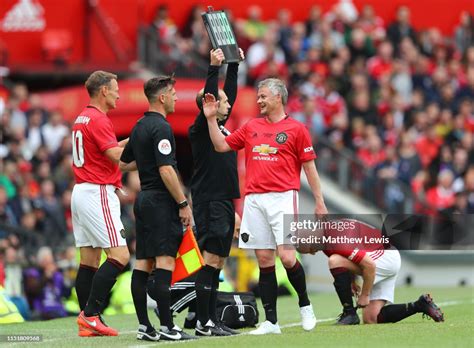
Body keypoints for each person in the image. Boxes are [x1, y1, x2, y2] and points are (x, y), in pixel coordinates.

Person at [202, 78, 327, 335]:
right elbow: (221, 145)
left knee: (288, 256)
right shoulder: (251, 127)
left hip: (283, 197)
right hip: (255, 199)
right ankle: (271, 322)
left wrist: (319, 201)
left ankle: (305, 305)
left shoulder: (297, 129)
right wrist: (211, 118)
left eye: (263, 96)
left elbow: (309, 167)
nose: (258, 100)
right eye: (258, 96)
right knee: (264, 259)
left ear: (278, 98)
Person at [119, 75, 195, 341]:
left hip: (143, 199)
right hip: (161, 201)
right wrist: (183, 203)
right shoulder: (161, 128)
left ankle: (145, 327)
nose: (175, 97)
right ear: (162, 97)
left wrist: (146, 163)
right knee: (164, 262)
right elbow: (166, 169)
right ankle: (168, 326)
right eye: (173, 93)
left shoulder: (138, 126)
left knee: (142, 263)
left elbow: (124, 163)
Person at [189, 48, 244, 337]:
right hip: (209, 201)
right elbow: (214, 94)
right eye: (219, 100)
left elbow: (228, 94)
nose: (227, 103)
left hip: (222, 200)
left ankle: (211, 320)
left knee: (218, 262)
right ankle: (204, 321)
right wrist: (213, 68)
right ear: (208, 105)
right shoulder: (201, 127)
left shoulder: (220, 128)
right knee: (210, 261)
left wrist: (233, 64)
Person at [72, 70, 130, 337]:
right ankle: (91, 314)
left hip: (81, 190)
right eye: (116, 88)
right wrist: (145, 149)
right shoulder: (99, 118)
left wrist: (134, 138)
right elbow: (114, 155)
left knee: (89, 261)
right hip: (97, 192)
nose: (119, 93)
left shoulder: (83, 117)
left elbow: (104, 149)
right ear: (104, 90)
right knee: (120, 255)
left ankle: (88, 322)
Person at [317, 218, 445, 325]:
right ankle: (419, 305)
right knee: (371, 318)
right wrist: (352, 280)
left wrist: (364, 295)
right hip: (386, 255)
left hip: (384, 258)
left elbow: (369, 265)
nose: (305, 252)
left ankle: (349, 313)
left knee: (335, 261)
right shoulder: (327, 237)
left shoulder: (335, 238)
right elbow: (350, 256)